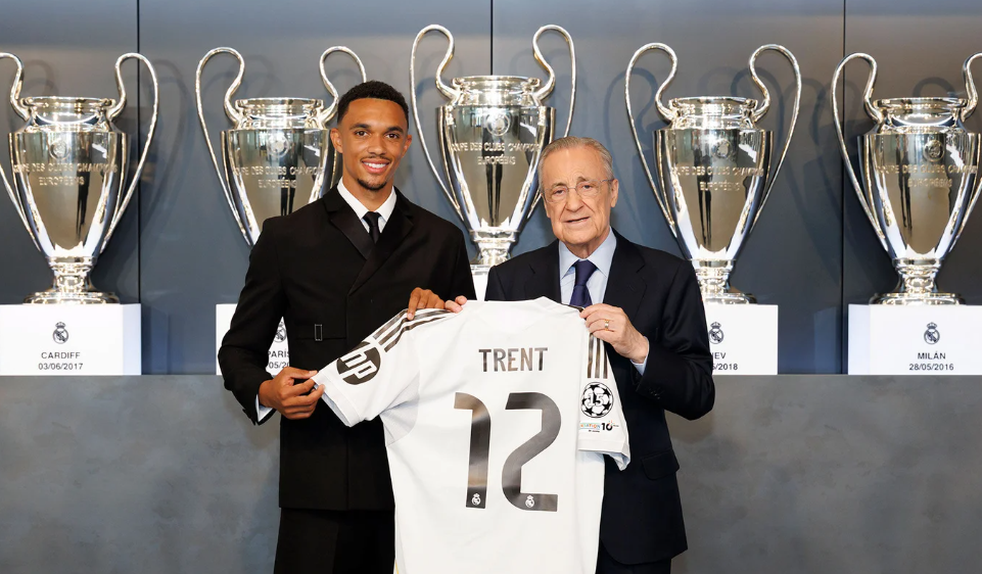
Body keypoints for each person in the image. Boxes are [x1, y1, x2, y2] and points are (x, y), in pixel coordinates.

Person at [417, 136, 714, 573]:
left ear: (612, 191)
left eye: (586, 186)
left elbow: (698, 394)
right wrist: (456, 334)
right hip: (531, 516)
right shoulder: (509, 280)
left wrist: (638, 346)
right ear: (544, 203)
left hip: (632, 516)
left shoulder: (669, 276)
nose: (573, 203)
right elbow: (492, 392)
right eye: (558, 190)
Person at [218, 80, 475, 574]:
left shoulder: (442, 240)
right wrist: (267, 392)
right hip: (319, 478)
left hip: (416, 482)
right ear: (337, 139)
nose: (377, 148)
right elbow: (238, 351)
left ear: (406, 144)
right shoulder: (285, 238)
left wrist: (444, 315)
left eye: (392, 135)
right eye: (362, 132)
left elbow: (467, 360)